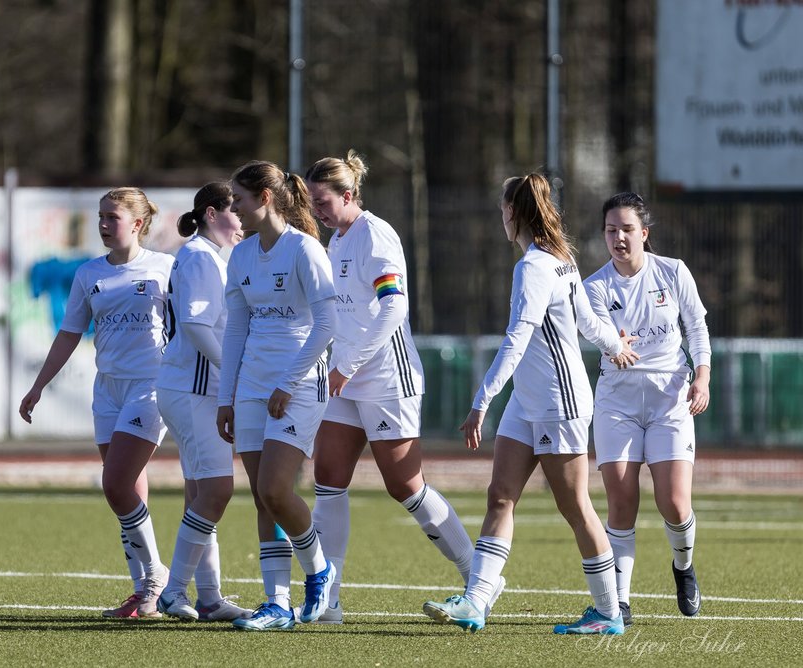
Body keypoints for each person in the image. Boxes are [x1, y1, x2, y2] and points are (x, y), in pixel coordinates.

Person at [423, 173, 638, 635]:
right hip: (528, 398)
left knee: (575, 506)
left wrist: (481, 400)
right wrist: (613, 343)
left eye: (503, 208)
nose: (500, 216)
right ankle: (476, 602)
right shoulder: (558, 259)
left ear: (513, 213)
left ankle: (607, 612)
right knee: (500, 495)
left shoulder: (538, 266)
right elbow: (589, 321)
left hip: (558, 402)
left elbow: (519, 337)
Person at [304, 151, 481, 624]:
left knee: (404, 486)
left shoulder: (374, 234)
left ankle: (477, 576)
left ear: (348, 195)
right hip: (344, 380)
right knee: (328, 482)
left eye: (322, 201)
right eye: (311, 201)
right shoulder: (336, 240)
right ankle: (329, 600)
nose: (316, 210)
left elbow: (393, 309)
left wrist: (350, 364)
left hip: (386, 379)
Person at [19, 187, 175, 619]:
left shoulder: (166, 268)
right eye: (101, 216)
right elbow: (70, 332)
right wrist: (39, 386)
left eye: (113, 217)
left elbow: (192, 327)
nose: (104, 224)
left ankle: (158, 575)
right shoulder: (89, 273)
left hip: (151, 386)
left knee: (115, 483)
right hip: (107, 390)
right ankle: (144, 592)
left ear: (138, 223)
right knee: (126, 489)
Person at [216, 160, 338, 631]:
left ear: (265, 198)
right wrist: (227, 396)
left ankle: (318, 569)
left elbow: (327, 325)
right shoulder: (242, 256)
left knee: (275, 489)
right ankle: (276, 604)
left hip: (301, 384)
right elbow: (236, 331)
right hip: (250, 385)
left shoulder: (305, 251)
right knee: (261, 497)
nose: (234, 209)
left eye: (239, 200)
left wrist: (288, 383)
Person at [582, 191, 711, 623]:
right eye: (610, 230)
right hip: (616, 401)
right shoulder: (594, 287)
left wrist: (702, 377)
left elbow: (696, 328)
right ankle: (620, 602)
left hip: (669, 398)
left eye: (627, 230)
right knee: (621, 501)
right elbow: (602, 336)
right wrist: (615, 345)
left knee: (674, 503)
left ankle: (684, 568)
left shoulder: (673, 273)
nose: (619, 238)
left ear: (644, 233)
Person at [153, 182, 254, 623]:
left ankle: (209, 597)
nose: (243, 221)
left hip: (194, 388)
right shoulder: (198, 256)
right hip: (192, 389)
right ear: (211, 214)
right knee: (216, 490)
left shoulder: (209, 255)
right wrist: (234, 371)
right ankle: (173, 592)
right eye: (237, 210)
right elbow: (195, 325)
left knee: (201, 494)